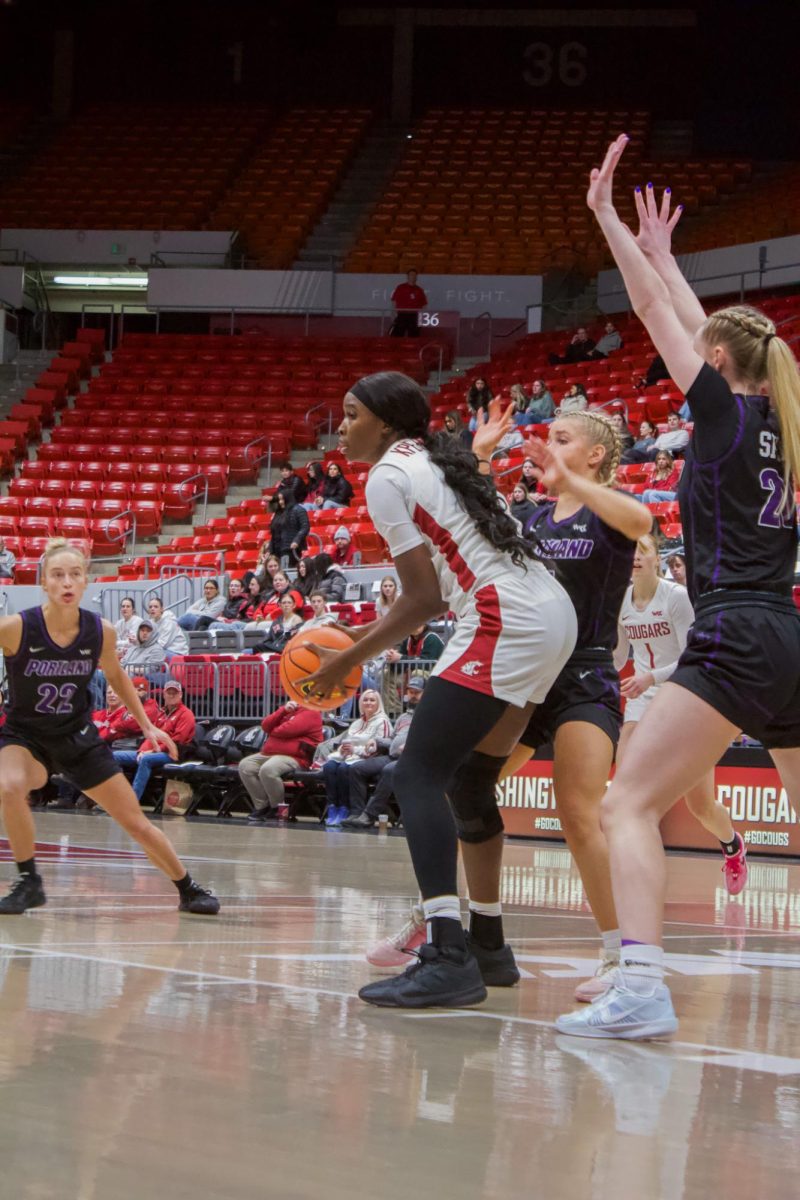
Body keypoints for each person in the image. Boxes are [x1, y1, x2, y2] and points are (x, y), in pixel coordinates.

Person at [554, 135, 800, 1040]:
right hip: (787, 635)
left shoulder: (725, 411)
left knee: (626, 802)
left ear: (713, 366)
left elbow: (656, 310)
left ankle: (643, 987)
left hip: (736, 630)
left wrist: (610, 222)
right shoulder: (776, 410)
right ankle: (636, 981)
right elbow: (697, 321)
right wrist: (666, 255)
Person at [302, 375, 576, 1008]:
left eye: (350, 416)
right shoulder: (436, 459)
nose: (340, 428)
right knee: (470, 781)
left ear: (386, 424)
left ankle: (447, 953)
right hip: (547, 612)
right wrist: (359, 635)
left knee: (416, 776)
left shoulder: (386, 477)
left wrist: (347, 657)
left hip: (505, 616)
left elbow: (422, 601)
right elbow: (428, 596)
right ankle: (489, 946)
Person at [467, 406, 650, 1006]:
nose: (550, 445)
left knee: (577, 813)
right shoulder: (536, 518)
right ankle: (448, 925)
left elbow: (643, 518)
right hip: (528, 673)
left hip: (586, 675)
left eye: (563, 438)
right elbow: (478, 524)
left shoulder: (607, 512)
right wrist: (482, 458)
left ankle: (619, 956)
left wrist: (577, 485)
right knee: (463, 787)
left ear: (595, 454)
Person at [0, 539, 218, 915]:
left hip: (77, 737)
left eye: (75, 575)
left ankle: (187, 887)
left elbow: (116, 676)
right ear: (44, 584)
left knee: (134, 822)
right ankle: (28, 880)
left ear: (85, 582)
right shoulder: (17, 628)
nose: (66, 582)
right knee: (8, 785)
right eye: (57, 575)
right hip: (26, 736)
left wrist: (149, 726)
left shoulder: (101, 631)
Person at [615, 533, 747, 908]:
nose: (636, 557)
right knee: (622, 792)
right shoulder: (622, 601)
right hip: (641, 702)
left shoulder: (675, 597)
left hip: (685, 693)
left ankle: (733, 845)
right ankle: (633, 879)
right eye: (632, 551)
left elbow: (694, 654)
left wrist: (650, 678)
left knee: (701, 806)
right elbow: (619, 653)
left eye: (644, 551)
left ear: (658, 558)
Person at [343, 675, 427, 829]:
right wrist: (378, 741)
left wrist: (412, 747)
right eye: (410, 692)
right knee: (357, 768)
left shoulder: (428, 717)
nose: (412, 696)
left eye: (417, 693)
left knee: (389, 770)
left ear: (425, 694)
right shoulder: (403, 717)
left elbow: (430, 741)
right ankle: (356, 813)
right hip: (392, 756)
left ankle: (369, 815)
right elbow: (393, 739)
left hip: (413, 759)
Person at [240, 700, 324, 823]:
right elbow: (265, 725)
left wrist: (272, 730)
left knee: (269, 769)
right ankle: (262, 806)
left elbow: (286, 730)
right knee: (245, 766)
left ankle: (277, 808)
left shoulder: (312, 712)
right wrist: (283, 710)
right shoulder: (289, 710)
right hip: (270, 753)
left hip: (297, 758)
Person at [112, 681, 196, 802]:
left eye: (175, 693)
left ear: (181, 695)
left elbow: (177, 741)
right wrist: (142, 750)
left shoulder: (186, 714)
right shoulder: (161, 713)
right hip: (153, 751)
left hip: (173, 753)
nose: (171, 695)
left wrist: (153, 751)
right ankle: (113, 796)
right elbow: (150, 735)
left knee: (146, 760)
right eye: (169, 692)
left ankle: (132, 802)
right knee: (114, 756)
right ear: (164, 694)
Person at [320, 690, 392, 827]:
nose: (368, 703)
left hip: (369, 759)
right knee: (329, 767)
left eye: (372, 700)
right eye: (365, 700)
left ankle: (345, 808)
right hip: (351, 757)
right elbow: (348, 742)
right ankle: (333, 806)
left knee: (343, 769)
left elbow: (380, 748)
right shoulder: (356, 723)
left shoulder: (383, 722)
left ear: (378, 703)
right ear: (360, 703)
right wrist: (343, 749)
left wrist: (356, 750)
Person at [265, 491, 309, 563]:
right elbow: (274, 533)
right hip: (276, 549)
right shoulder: (279, 513)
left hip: (290, 548)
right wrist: (270, 549)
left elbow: (305, 527)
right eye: (279, 500)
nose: (280, 502)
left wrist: (296, 540)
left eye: (282, 499)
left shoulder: (299, 510)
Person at [390, 269, 427, 338]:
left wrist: (421, 318)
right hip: (402, 314)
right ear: (407, 276)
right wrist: (393, 313)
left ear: (416, 277)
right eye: (411, 275)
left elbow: (424, 305)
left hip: (414, 315)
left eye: (414, 275)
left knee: (414, 336)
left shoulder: (419, 290)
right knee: (398, 336)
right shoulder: (400, 287)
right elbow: (394, 301)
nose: (412, 277)